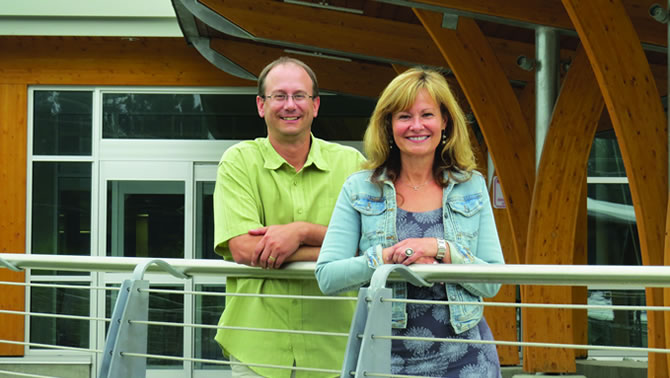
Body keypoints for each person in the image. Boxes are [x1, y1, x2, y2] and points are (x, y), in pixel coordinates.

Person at [315, 67, 504, 377]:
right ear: (389, 126)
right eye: (404, 116)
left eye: (427, 114)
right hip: (385, 358)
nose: (416, 126)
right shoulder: (359, 188)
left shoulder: (472, 185)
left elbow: (492, 281)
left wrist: (441, 250)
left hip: (466, 361)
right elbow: (327, 277)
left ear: (445, 122)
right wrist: (385, 258)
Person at [213, 57, 366, 377]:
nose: (289, 105)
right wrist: (340, 248)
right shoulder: (238, 161)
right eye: (279, 96)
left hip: (335, 345)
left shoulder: (351, 163)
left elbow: (370, 245)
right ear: (260, 105)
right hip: (257, 344)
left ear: (316, 105)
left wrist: (300, 232)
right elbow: (243, 248)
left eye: (299, 96)